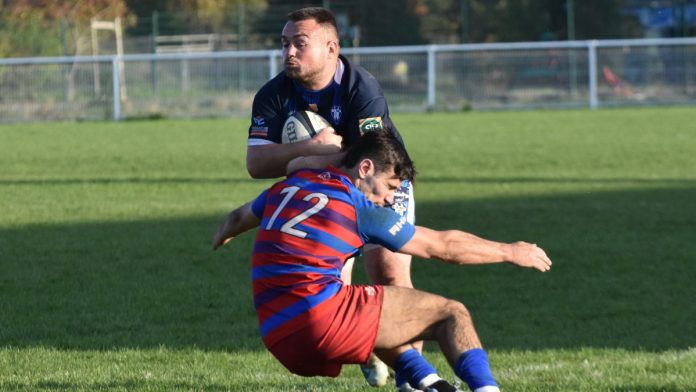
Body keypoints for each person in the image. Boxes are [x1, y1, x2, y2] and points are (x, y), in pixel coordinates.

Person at [213, 131, 553, 392]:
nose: (391, 198)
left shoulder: (287, 189)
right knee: (452, 313)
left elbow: (236, 218)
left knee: (376, 308)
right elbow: (442, 246)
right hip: (320, 324)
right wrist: (509, 251)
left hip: (277, 336)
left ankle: (431, 384)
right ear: (365, 168)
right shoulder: (358, 206)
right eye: (390, 186)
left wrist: (222, 237)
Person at [245, 6, 418, 387]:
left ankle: (410, 380)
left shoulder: (361, 88)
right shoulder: (273, 95)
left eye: (299, 44)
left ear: (331, 48)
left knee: (389, 274)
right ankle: (369, 346)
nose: (288, 51)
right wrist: (310, 149)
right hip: (326, 194)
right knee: (331, 292)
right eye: (285, 43)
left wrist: (303, 160)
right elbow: (256, 163)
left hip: (382, 187)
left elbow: (370, 160)